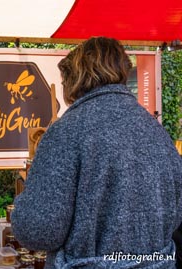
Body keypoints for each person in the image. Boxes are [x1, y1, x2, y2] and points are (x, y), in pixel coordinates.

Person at [11, 37, 182, 268]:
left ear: (74, 79)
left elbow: (39, 231)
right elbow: (176, 214)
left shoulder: (66, 132)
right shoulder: (155, 130)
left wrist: (21, 207)